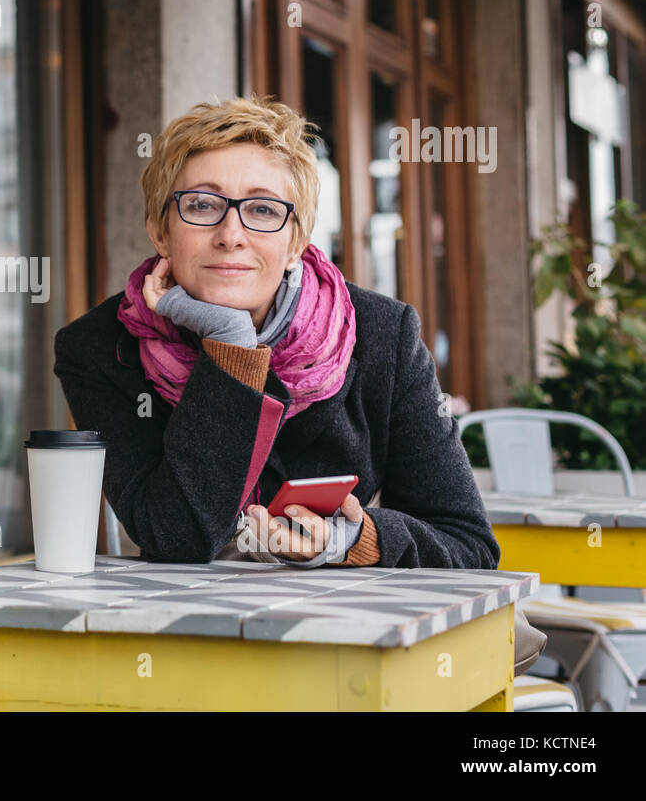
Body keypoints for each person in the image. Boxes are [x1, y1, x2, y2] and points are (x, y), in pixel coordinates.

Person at [52, 95, 546, 672]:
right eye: (201, 205)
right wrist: (232, 345)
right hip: (179, 650)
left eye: (262, 211)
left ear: (296, 241)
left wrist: (351, 542)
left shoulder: (382, 336)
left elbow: (468, 547)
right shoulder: (100, 349)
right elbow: (178, 536)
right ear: (160, 231)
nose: (231, 234)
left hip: (352, 650)